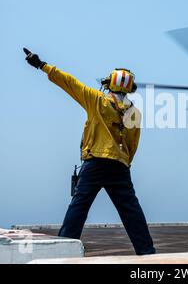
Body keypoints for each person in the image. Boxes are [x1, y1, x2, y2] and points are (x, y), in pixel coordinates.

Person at [23, 48, 155, 255]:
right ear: (129, 88)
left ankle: (64, 248)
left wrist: (42, 65)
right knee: (131, 211)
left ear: (109, 83)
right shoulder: (134, 113)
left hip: (95, 163)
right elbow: (132, 143)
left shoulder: (96, 99)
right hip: (119, 166)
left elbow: (69, 82)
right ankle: (146, 251)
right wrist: (124, 163)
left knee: (79, 206)